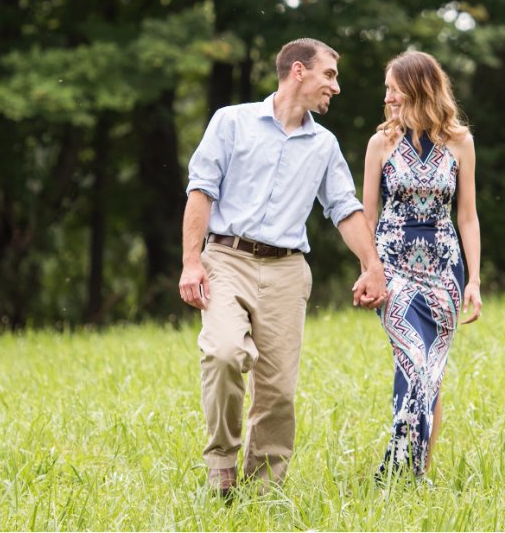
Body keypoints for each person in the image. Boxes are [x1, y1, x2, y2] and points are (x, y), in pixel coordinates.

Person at [179, 38, 389, 497]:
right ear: (299, 71)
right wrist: (191, 262)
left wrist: (371, 265)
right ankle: (221, 465)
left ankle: (262, 492)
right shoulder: (231, 122)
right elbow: (201, 190)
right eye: (329, 75)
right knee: (224, 352)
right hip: (227, 259)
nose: (336, 86)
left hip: (287, 270)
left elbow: (345, 208)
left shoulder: (324, 144)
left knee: (278, 391)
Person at [362, 50, 482, 482]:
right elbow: (367, 217)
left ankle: (417, 475)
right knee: (413, 359)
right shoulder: (380, 143)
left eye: (394, 88)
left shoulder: (459, 142)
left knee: (430, 373)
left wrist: (475, 280)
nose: (388, 96)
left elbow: (466, 215)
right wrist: (366, 267)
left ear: (417, 88)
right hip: (392, 268)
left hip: (445, 270)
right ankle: (397, 471)